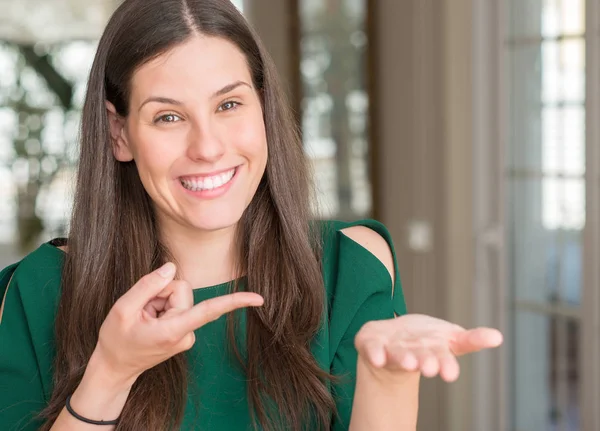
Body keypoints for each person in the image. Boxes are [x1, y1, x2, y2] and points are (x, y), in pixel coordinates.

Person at [0, 0, 503, 430]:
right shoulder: (35, 292)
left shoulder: (351, 268)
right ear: (120, 134)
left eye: (229, 105)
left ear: (262, 107)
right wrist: (110, 372)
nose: (208, 147)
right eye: (168, 116)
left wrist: (388, 378)